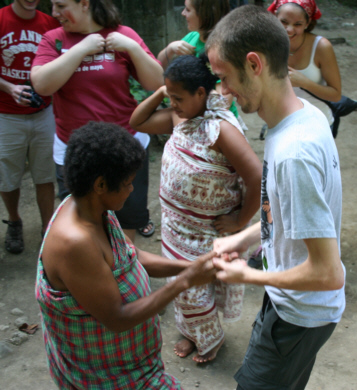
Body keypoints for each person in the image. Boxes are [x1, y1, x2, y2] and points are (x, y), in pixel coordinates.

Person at [206, 5, 345, 389]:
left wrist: (247, 274)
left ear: (254, 65)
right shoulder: (305, 116)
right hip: (293, 305)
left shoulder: (292, 154)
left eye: (224, 77)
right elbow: (285, 213)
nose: (222, 92)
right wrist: (245, 237)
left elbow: (327, 272)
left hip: (299, 314)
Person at [35, 121, 217, 389]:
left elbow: (130, 256)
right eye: (128, 183)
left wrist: (188, 265)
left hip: (133, 366)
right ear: (100, 184)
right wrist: (186, 279)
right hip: (107, 378)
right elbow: (117, 318)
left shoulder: (91, 208)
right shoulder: (75, 243)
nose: (132, 190)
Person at [130, 54, 262, 363]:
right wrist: (163, 93)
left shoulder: (220, 130)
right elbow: (137, 122)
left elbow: (257, 177)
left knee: (195, 289)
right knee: (180, 288)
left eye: (178, 97)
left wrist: (240, 221)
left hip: (207, 231)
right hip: (176, 228)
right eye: (170, 97)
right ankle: (192, 333)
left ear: (201, 93)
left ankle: (210, 339)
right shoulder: (181, 116)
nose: (172, 104)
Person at [31, 0, 162, 242]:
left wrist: (132, 48)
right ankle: (93, 276)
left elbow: (156, 82)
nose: (54, 13)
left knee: (126, 222)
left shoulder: (123, 35)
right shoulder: (54, 39)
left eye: (60, 5)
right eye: (52, 5)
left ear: (84, 4)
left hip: (126, 146)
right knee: (84, 227)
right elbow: (42, 84)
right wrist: (80, 49)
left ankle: (123, 273)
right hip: (74, 152)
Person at [0, 0, 60, 254]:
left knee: (45, 174)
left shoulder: (49, 22)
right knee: (7, 176)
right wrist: (10, 88)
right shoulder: (2, 19)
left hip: (43, 111)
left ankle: (47, 229)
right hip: (6, 113)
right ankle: (14, 220)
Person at [268, 0, 357, 138]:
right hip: (281, 123)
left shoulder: (321, 47)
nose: (289, 29)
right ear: (275, 17)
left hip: (316, 126)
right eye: (284, 22)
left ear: (308, 22)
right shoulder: (269, 44)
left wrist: (304, 82)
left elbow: (335, 94)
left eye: (297, 24)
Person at [157, 0, 246, 127]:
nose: (183, 13)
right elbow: (159, 67)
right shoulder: (193, 37)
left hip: (219, 123)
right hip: (195, 116)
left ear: (204, 14)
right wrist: (170, 49)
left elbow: (223, 101)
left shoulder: (222, 49)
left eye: (188, 10)